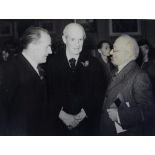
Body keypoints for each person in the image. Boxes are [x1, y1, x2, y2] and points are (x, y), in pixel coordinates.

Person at [47, 23, 105, 135]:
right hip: (58, 126)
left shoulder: (94, 64)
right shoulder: (51, 63)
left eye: (80, 39)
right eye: (73, 39)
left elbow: (99, 94)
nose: (77, 44)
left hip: (87, 126)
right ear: (64, 39)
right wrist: (62, 115)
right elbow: (47, 94)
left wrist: (80, 117)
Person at [0, 26, 52, 135]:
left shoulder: (41, 70)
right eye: (47, 47)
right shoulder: (9, 69)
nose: (50, 51)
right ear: (33, 46)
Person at [100, 34, 155, 136]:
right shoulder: (115, 71)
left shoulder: (140, 76)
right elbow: (121, 96)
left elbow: (148, 111)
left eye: (115, 50)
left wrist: (119, 115)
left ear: (127, 53)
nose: (111, 52)